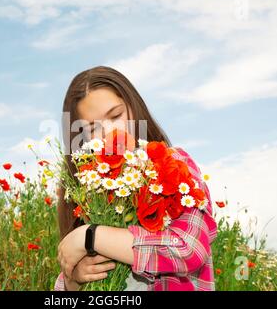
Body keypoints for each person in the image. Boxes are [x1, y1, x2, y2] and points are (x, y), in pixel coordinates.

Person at [54, 66, 217, 291]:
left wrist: (91, 236)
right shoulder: (89, 192)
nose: (110, 132)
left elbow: (189, 249)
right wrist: (73, 280)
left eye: (116, 115)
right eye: (92, 128)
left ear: (133, 106)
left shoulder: (173, 164)